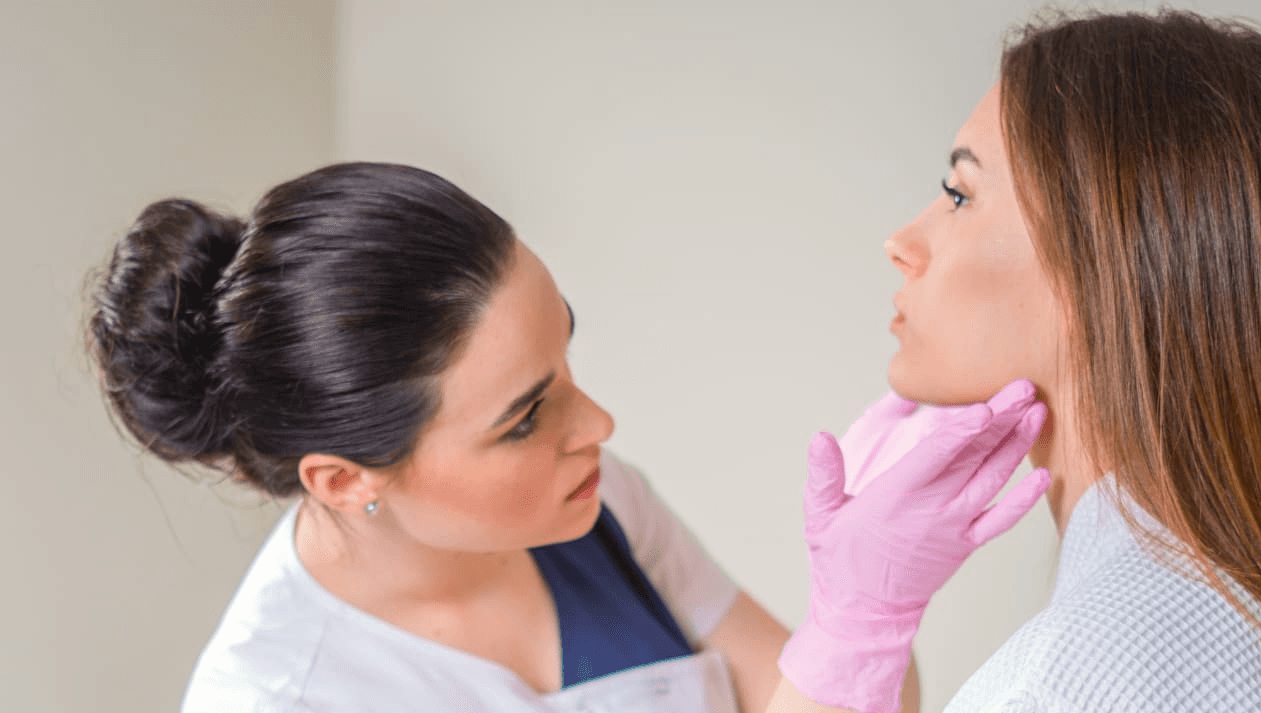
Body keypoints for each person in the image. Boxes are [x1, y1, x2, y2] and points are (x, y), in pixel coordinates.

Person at [86, 162, 1049, 713]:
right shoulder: (276, 695)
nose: (597, 426)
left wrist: (864, 610)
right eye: (524, 418)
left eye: (565, 360)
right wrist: (855, 626)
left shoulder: (593, 504)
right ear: (343, 480)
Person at [870, 11, 1261, 713]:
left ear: (1101, 267)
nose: (902, 242)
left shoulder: (1074, 678)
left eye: (959, 195)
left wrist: (849, 640)